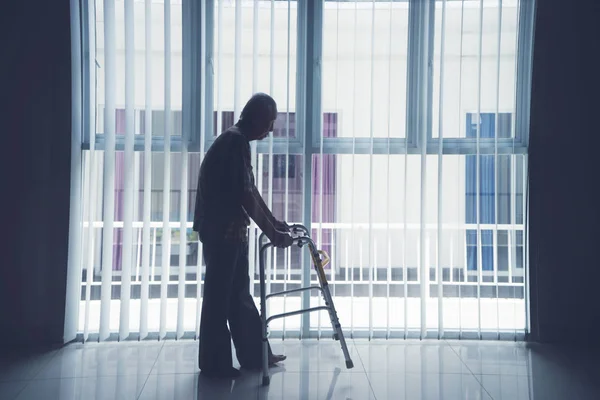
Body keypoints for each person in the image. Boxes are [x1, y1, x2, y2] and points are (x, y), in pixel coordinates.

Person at [193, 93, 293, 379]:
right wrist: (272, 232)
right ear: (257, 117)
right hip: (222, 233)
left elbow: (250, 190)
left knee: (238, 296)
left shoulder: (236, 141)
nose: (271, 130)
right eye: (270, 122)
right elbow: (244, 195)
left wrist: (274, 223)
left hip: (230, 232)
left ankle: (256, 354)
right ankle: (215, 365)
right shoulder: (235, 141)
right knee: (220, 298)